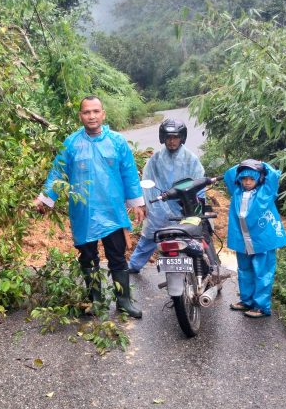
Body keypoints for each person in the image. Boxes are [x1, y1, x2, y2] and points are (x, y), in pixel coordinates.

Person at [33, 96, 146, 318]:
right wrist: (45, 198)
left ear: (103, 114)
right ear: (80, 116)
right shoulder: (71, 143)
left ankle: (123, 302)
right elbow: (58, 172)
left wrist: (137, 203)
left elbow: (129, 173)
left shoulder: (117, 142)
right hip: (83, 211)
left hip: (112, 210)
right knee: (87, 257)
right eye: (87, 112)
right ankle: (96, 300)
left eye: (96, 111)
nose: (91, 116)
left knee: (117, 257)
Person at [127, 118, 205, 273]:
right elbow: (147, 182)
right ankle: (133, 266)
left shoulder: (191, 160)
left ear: (182, 137)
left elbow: (199, 183)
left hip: (185, 208)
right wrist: (145, 205)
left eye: (175, 137)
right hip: (158, 210)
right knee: (148, 239)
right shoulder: (154, 160)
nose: (172, 141)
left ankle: (202, 270)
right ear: (163, 138)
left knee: (196, 241)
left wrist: (199, 206)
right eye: (168, 137)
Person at [223, 159, 286, 318]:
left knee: (263, 272)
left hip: (262, 241)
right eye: (244, 178)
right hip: (243, 240)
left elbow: (273, 175)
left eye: (251, 178)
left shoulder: (266, 192)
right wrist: (243, 164)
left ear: (259, 179)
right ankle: (247, 301)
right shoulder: (237, 191)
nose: (247, 182)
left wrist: (260, 164)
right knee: (244, 270)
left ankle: (261, 306)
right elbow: (229, 174)